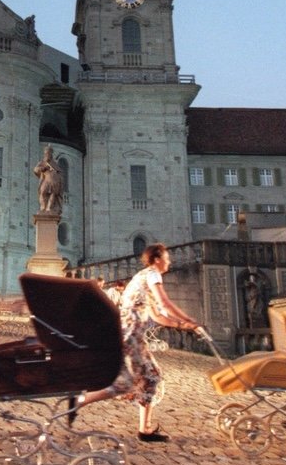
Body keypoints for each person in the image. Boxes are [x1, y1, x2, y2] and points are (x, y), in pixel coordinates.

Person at [70, 243, 202, 443]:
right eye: (166, 257)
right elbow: (165, 303)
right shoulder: (152, 275)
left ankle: (145, 429)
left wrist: (183, 325)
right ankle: (79, 401)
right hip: (130, 336)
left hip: (133, 337)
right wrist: (190, 320)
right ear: (157, 259)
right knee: (127, 383)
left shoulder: (143, 278)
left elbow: (157, 316)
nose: (169, 261)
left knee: (151, 377)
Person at [33, 144, 65, 214]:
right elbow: (35, 170)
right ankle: (43, 207)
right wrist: (43, 168)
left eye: (49, 153)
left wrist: (59, 180)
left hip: (55, 181)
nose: (47, 154)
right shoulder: (42, 162)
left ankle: (49, 208)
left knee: (53, 194)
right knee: (42, 192)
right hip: (46, 180)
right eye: (46, 153)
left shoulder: (54, 163)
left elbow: (59, 172)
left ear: (51, 154)